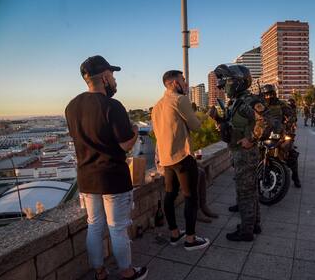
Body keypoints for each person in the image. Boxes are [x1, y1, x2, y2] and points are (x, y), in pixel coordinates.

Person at [65, 55, 148, 280]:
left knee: (94, 226)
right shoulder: (113, 106)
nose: (114, 81)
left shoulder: (71, 107)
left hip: (86, 179)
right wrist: (133, 131)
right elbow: (125, 144)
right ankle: (127, 272)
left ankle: (99, 272)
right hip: (112, 178)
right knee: (117, 228)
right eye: (112, 75)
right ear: (104, 77)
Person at [151, 70, 210, 251]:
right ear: (174, 83)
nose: (185, 84)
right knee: (190, 197)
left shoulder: (157, 106)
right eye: (183, 80)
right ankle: (190, 240)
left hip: (166, 160)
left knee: (170, 195)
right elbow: (196, 126)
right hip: (182, 157)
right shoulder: (179, 99)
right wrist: (206, 116)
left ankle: (175, 234)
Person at [211, 64, 266, 241]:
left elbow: (266, 121)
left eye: (227, 81)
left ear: (238, 82)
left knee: (245, 193)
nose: (223, 85)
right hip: (238, 151)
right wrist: (217, 119)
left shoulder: (248, 101)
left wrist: (251, 139)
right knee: (250, 191)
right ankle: (253, 225)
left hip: (245, 153)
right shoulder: (236, 101)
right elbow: (229, 125)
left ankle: (246, 231)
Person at [262, 84, 301, 188]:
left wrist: (288, 123)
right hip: (264, 134)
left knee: (291, 154)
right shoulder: (261, 105)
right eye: (266, 95)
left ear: (274, 94)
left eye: (270, 94)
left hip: (279, 133)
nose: (268, 97)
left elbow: (291, 115)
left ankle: (295, 176)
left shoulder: (281, 104)